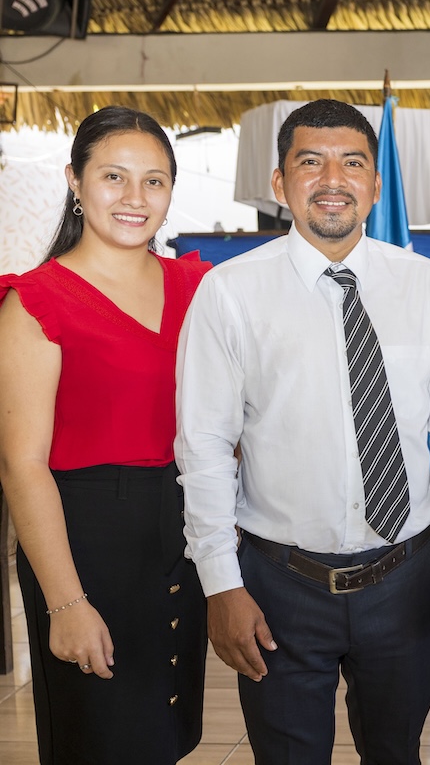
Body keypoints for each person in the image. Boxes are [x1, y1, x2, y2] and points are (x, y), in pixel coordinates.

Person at [174, 99, 430, 764]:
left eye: (353, 163)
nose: (333, 179)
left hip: (405, 578)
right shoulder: (230, 293)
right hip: (277, 584)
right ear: (279, 182)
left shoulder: (423, 284)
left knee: (396, 751)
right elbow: (203, 450)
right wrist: (220, 584)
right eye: (310, 162)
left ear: (377, 184)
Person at [0, 106, 210, 764]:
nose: (134, 198)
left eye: (154, 181)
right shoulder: (36, 302)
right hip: (84, 547)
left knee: (166, 735)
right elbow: (21, 465)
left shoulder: (200, 288)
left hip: (181, 539)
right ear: (75, 181)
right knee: (102, 737)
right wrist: (65, 603)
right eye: (113, 177)